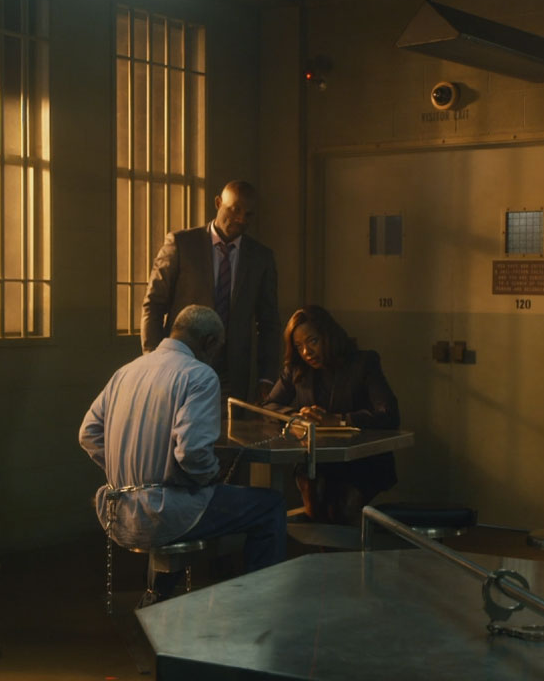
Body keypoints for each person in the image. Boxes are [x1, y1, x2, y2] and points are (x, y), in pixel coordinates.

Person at [80, 305, 286, 605]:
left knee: (183, 504)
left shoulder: (125, 371)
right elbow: (192, 453)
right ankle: (260, 605)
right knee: (270, 506)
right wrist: (210, 475)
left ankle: (157, 598)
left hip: (118, 513)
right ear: (209, 342)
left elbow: (88, 433)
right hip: (163, 514)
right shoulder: (199, 376)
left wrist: (126, 467)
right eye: (218, 349)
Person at [141, 180, 281, 404]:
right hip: (181, 363)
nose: (241, 219)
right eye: (235, 210)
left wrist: (267, 377)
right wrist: (154, 359)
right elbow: (154, 305)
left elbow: (269, 322)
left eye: (248, 214)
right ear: (218, 203)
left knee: (226, 426)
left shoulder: (260, 257)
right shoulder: (181, 244)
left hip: (232, 373)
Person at [263, 305, 400, 525]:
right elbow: (269, 406)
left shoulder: (364, 362)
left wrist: (339, 420)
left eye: (313, 341)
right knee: (315, 504)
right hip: (315, 461)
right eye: (299, 346)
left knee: (342, 510)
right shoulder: (297, 369)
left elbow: (389, 415)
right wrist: (298, 417)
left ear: (329, 335)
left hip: (359, 461)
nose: (306, 352)